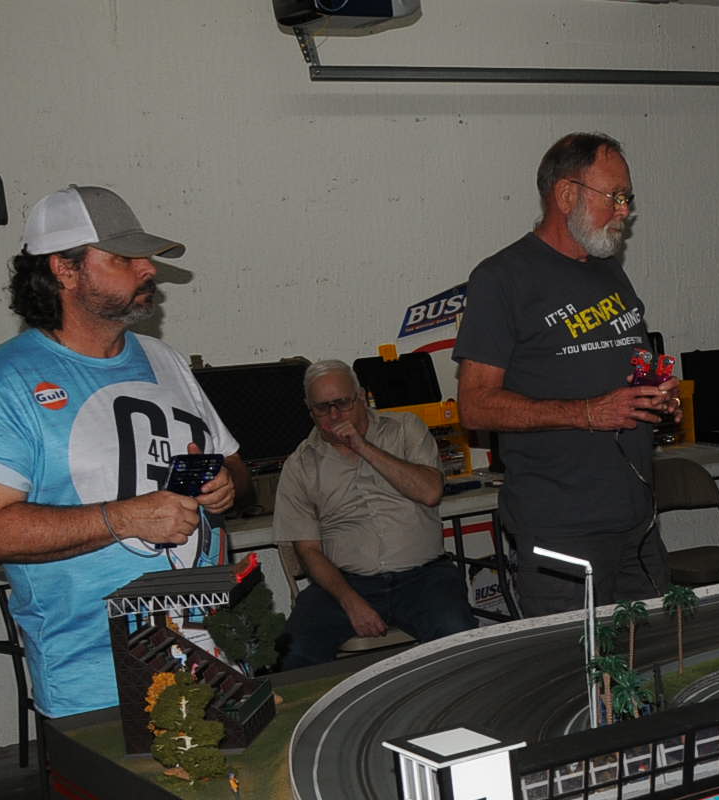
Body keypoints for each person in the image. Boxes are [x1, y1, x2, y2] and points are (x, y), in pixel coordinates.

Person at [0, 185, 249, 718]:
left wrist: (224, 485)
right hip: (101, 686)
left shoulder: (165, 360)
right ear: (65, 269)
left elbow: (236, 472)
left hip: (215, 660)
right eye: (123, 258)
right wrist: (125, 518)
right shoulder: (1, 381)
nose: (148, 269)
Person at [454, 132, 681, 616]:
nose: (624, 210)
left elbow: (623, 371)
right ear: (565, 195)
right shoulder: (502, 278)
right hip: (562, 530)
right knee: (577, 662)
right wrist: (587, 413)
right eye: (614, 196)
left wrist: (655, 400)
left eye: (628, 198)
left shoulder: (609, 270)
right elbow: (474, 405)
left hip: (637, 523)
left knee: (653, 655)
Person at [273, 361, 475, 668]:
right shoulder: (300, 464)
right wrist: (349, 601)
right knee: (293, 651)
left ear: (361, 397)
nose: (334, 415)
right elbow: (308, 551)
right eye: (322, 408)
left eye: (342, 403)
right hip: (346, 583)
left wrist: (362, 446)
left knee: (457, 635)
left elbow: (430, 492)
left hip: (424, 577)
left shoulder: (405, 428)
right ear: (309, 409)